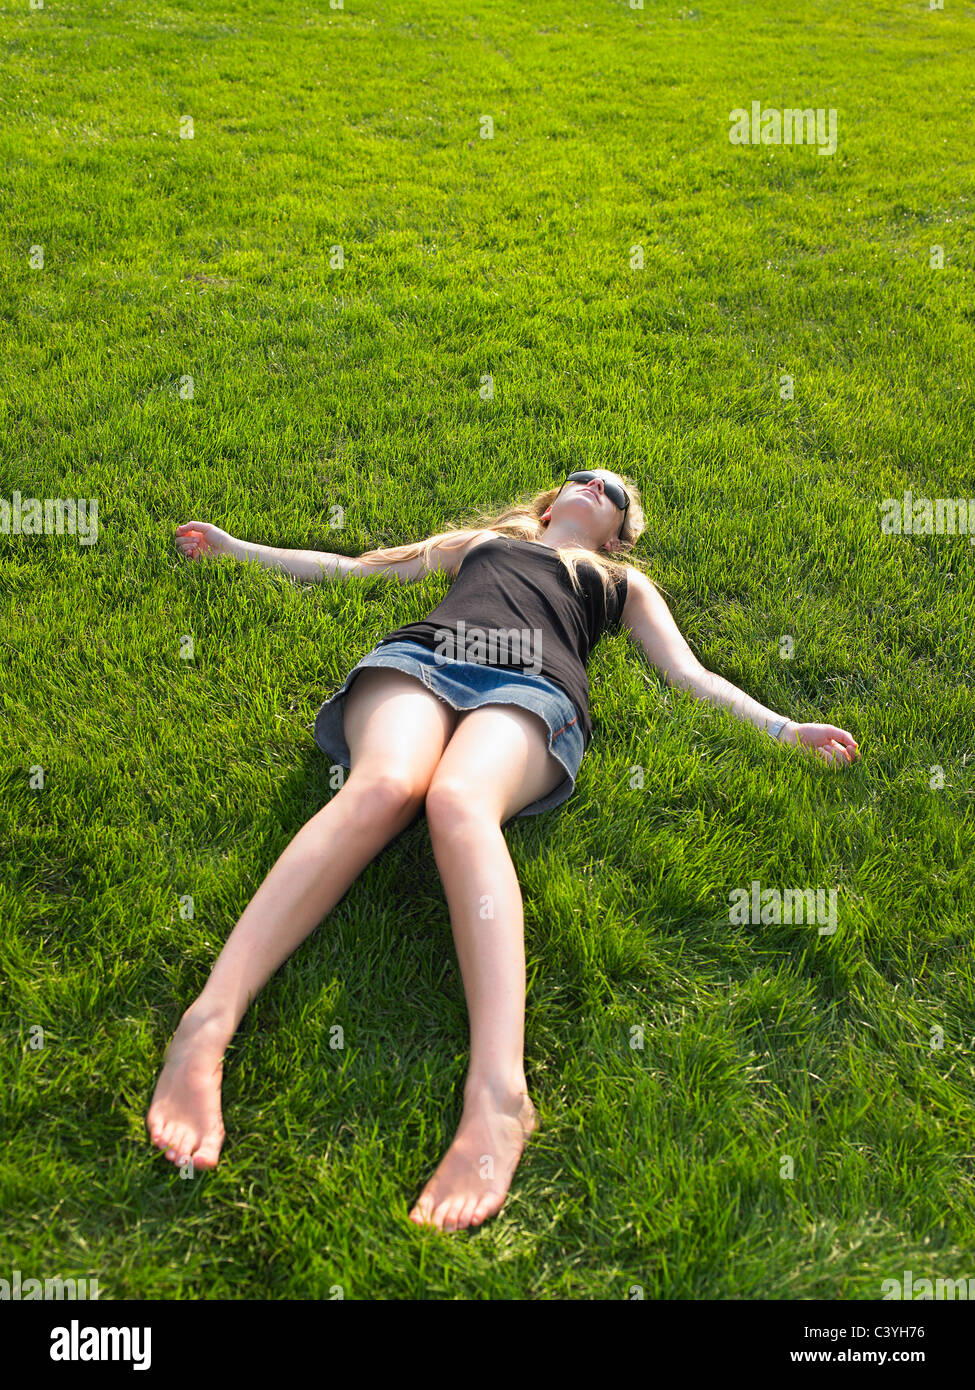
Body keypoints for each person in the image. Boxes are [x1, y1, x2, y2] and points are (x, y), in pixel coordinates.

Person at [146, 470, 859, 1231]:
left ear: (618, 532)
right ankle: (206, 1026)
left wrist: (784, 728)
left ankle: (499, 1095)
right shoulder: (483, 543)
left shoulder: (619, 584)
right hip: (420, 662)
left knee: (458, 803)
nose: (592, 484)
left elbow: (688, 674)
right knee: (382, 787)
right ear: (550, 504)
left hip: (533, 687)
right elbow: (353, 568)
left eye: (610, 489)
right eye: (580, 477)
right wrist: (233, 548)